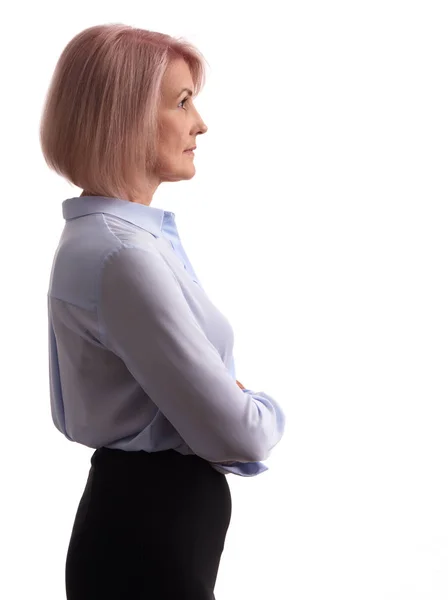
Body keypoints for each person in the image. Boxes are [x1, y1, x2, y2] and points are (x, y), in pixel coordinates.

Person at [40, 23, 286, 599]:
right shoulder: (122, 255)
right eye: (181, 101)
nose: (201, 123)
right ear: (121, 117)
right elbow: (238, 434)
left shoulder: (116, 241)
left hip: (145, 530)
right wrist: (263, 408)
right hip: (149, 544)